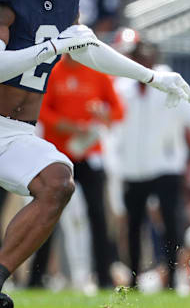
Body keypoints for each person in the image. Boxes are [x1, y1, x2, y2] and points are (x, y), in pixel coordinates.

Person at [0, 0, 190, 307]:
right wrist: (51, 48)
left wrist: (152, 78)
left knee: (57, 181)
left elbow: (87, 49)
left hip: (15, 131)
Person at [106, 28, 190, 289]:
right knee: (134, 227)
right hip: (132, 169)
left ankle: (171, 276)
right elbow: (112, 126)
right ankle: (133, 279)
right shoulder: (122, 87)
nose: (139, 61)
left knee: (171, 223)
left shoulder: (170, 82)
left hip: (166, 165)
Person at [37, 54, 125, 289]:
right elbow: (41, 110)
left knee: (97, 215)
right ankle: (37, 276)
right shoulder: (53, 72)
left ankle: (104, 277)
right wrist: (65, 124)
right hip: (57, 154)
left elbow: (118, 111)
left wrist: (101, 116)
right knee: (47, 214)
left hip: (89, 154)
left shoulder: (98, 73)